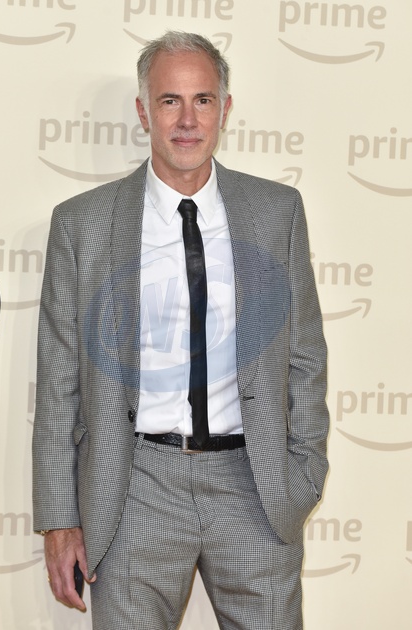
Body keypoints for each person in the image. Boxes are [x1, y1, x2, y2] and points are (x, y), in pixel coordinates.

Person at [33, 31, 329, 630]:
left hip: (254, 487)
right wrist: (60, 518)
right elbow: (59, 381)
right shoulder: (81, 224)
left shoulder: (277, 212)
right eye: (170, 101)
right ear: (144, 111)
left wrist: (302, 473)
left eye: (203, 100)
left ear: (225, 108)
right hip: (134, 487)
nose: (187, 120)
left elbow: (305, 356)